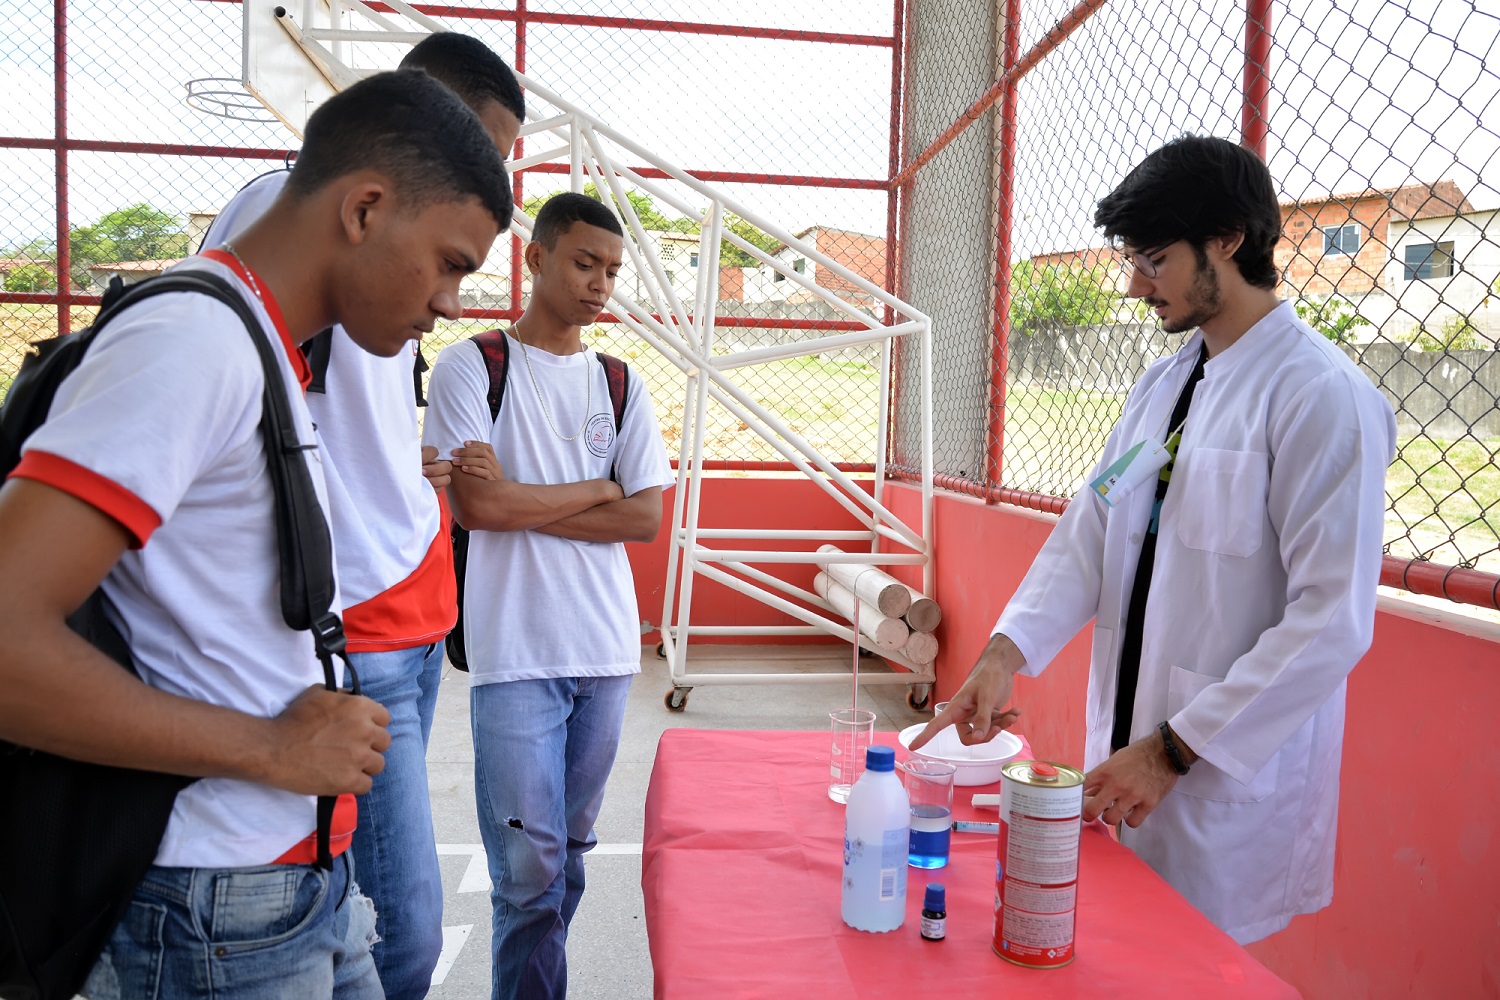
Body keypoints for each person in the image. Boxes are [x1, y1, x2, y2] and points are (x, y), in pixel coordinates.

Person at [0, 69, 510, 998]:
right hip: (207, 905)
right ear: (364, 208)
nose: (451, 304)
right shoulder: (193, 343)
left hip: (292, 876)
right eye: (450, 262)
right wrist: (267, 749)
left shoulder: (262, 340)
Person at [913, 135, 1397, 944]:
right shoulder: (1166, 385)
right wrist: (1005, 650)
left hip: (1215, 780)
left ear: (1230, 241)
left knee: (1199, 962)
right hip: (1131, 758)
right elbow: (1094, 526)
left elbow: (1331, 622)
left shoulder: (1321, 397)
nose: (1137, 286)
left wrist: (1174, 750)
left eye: (1156, 260)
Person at [200, 31, 525, 1000]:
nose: (446, 299)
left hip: (411, 616)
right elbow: (243, 420)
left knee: (363, 926)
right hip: (358, 630)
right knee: (400, 940)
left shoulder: (378, 257)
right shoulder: (273, 227)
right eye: (485, 147)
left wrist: (402, 467)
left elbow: (329, 416)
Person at [422, 191, 674, 1000]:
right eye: (583, 262)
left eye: (611, 270)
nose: (599, 283)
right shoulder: (474, 365)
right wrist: (595, 488)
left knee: (569, 858)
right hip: (514, 656)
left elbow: (643, 518)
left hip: (605, 654)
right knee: (528, 878)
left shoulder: (621, 383)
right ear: (535, 258)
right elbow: (478, 509)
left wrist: (539, 496)